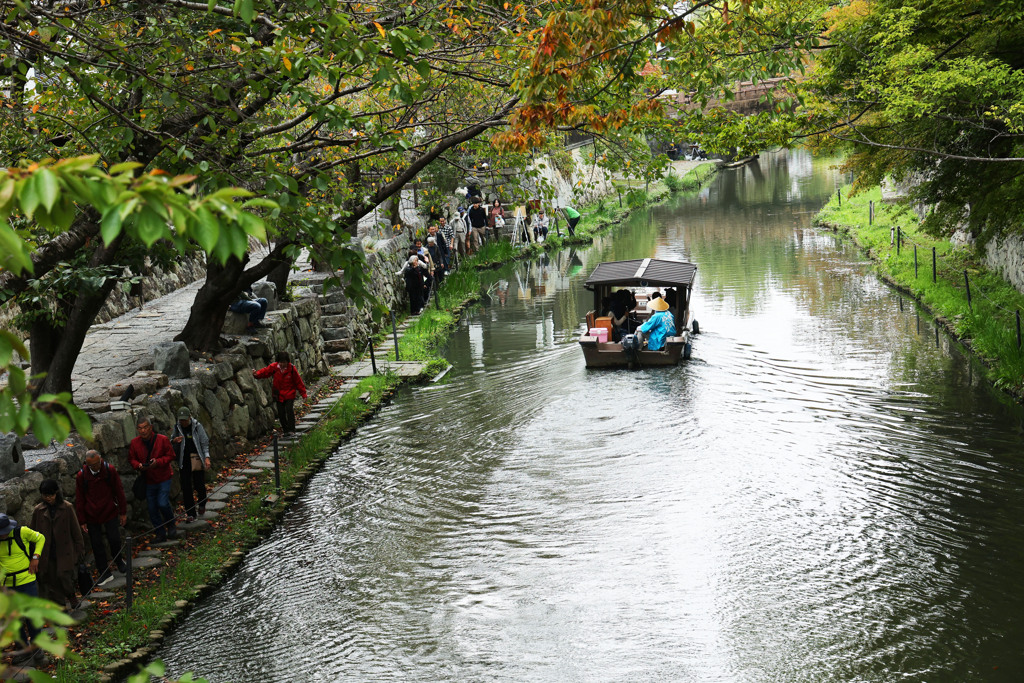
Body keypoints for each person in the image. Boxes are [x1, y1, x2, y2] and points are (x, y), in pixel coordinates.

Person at [30, 479, 85, 610]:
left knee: (64, 576)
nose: (48, 498)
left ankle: (71, 595)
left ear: (56, 493)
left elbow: (76, 531)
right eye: (45, 495)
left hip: (64, 549)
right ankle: (61, 605)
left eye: (51, 495)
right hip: (47, 551)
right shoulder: (39, 510)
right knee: (52, 579)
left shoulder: (67, 508)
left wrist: (79, 551)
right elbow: (33, 532)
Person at [75, 449, 128, 584]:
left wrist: (123, 512)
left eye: (98, 463)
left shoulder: (109, 470)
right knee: (97, 544)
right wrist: (82, 520)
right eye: (92, 465)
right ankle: (104, 571)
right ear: (87, 464)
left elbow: (119, 491)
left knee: (114, 538)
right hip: (91, 514)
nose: (96, 467)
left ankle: (119, 560)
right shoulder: (82, 476)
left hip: (109, 510)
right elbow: (80, 498)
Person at [0, 513, 46, 664]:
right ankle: (23, 648)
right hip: (7, 585)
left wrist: (35, 557)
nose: (3, 535)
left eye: (5, 532)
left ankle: (37, 648)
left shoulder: (22, 532)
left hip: (27, 580)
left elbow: (40, 538)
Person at [128, 416, 177, 542]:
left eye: (145, 428)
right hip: (148, 479)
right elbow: (132, 458)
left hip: (163, 477)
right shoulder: (135, 443)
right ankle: (160, 533)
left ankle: (171, 524)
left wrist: (158, 462)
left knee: (162, 503)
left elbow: (171, 455)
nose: (143, 431)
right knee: (151, 508)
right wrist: (138, 465)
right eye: (140, 428)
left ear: (150, 427)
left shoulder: (162, 439)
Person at [171, 408, 211, 523]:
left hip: (196, 458)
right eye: (181, 420)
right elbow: (171, 440)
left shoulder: (197, 426)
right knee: (186, 487)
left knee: (199, 485)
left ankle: (202, 503)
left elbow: (204, 442)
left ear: (190, 417)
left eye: (185, 420)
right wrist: (175, 441)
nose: (183, 422)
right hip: (184, 461)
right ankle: (191, 514)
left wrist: (207, 458)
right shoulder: (177, 427)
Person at [254, 352, 307, 434]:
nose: (282, 364)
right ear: (278, 362)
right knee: (281, 413)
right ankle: (286, 430)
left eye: (284, 362)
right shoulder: (274, 367)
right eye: (281, 362)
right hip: (278, 394)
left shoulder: (292, 369)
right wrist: (256, 374)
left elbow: (298, 382)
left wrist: (303, 394)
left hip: (290, 393)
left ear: (287, 362)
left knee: (289, 410)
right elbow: (265, 372)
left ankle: (291, 429)